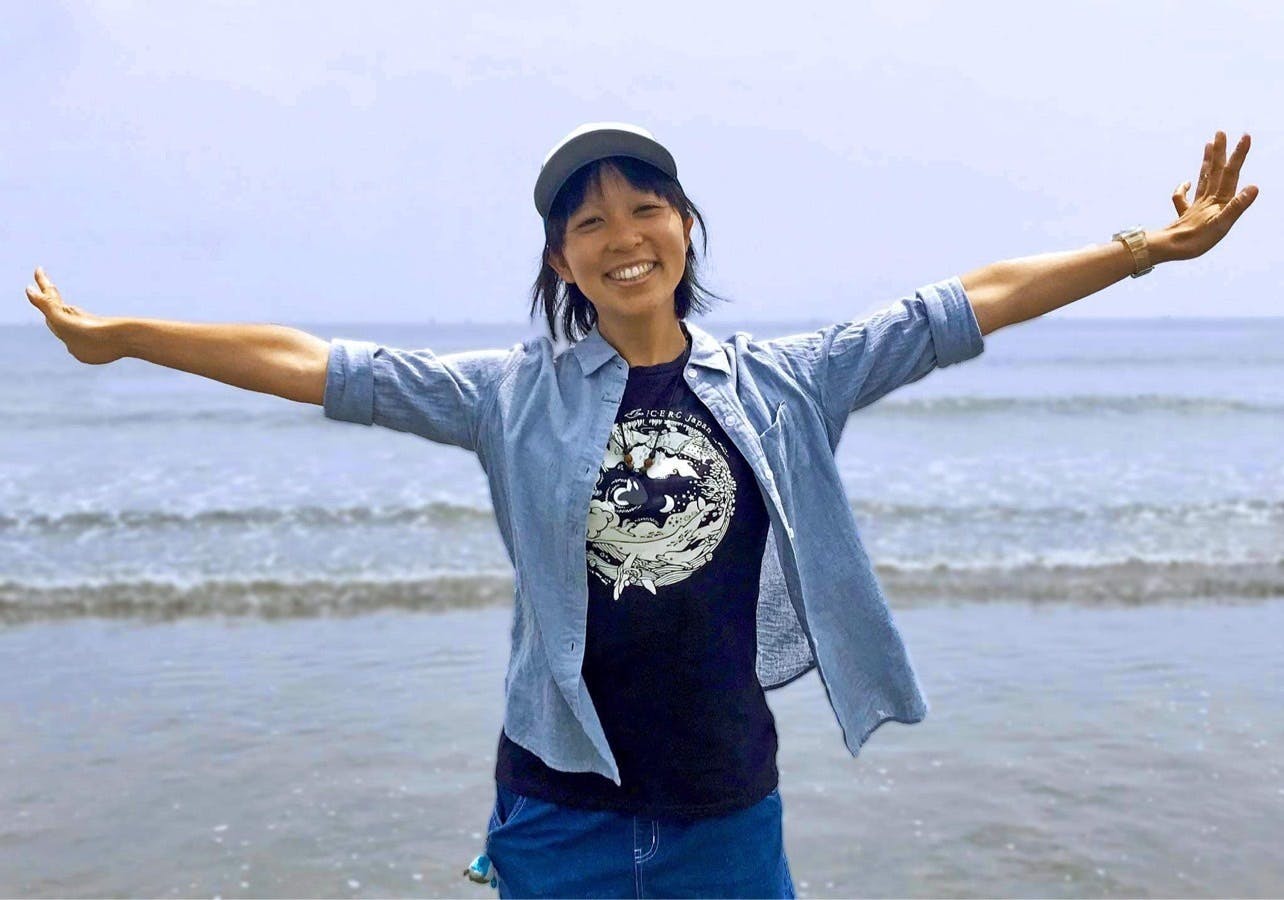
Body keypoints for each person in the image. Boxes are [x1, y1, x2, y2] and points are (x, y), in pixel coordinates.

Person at [27, 122, 1256, 899]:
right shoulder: (508, 397)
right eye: (589, 221)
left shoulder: (786, 381)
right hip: (559, 804)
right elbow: (314, 362)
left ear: (684, 230)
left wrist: (1144, 249)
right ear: (562, 261)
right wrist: (127, 336)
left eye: (645, 208)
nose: (623, 236)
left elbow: (962, 303)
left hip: (725, 806)